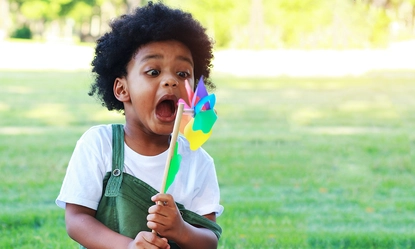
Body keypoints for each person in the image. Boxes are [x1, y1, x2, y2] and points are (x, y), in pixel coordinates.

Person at [56, 2, 223, 249]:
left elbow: (209, 241)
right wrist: (127, 246)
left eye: (183, 74)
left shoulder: (198, 161)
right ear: (122, 89)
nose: (170, 81)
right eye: (154, 72)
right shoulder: (98, 145)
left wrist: (182, 230)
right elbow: (77, 220)